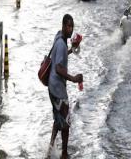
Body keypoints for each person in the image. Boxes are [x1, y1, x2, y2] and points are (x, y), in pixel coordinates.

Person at [48, 14, 83, 159]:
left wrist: (72, 49)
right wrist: (74, 78)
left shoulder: (58, 37)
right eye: (68, 26)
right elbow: (58, 68)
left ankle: (50, 149)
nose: (70, 29)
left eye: (72, 27)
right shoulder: (62, 44)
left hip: (51, 87)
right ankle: (64, 154)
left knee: (58, 119)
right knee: (66, 124)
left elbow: (58, 56)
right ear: (63, 26)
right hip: (58, 90)